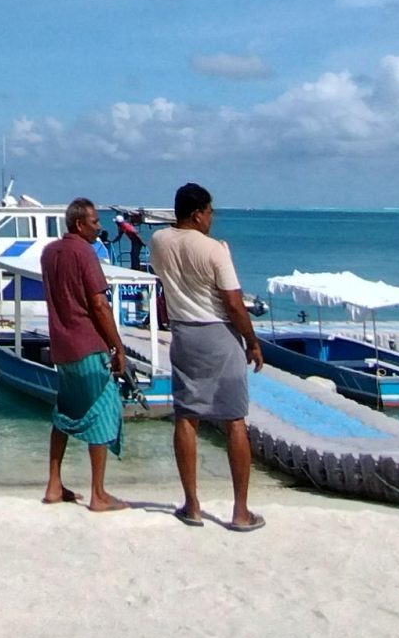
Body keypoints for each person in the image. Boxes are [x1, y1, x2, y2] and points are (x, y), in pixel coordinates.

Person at [149, 182, 264, 531]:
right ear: (199, 214)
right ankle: (240, 511)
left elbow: (162, 278)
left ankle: (192, 505)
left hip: (184, 332)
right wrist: (253, 341)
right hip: (218, 333)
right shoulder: (214, 249)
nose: (212, 218)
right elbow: (233, 302)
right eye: (211, 212)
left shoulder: (159, 241)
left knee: (187, 416)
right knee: (234, 420)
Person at [40, 197, 131, 512]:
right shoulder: (85, 253)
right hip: (87, 344)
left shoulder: (49, 253)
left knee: (64, 412)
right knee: (105, 409)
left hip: (62, 347)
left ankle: (54, 484)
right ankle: (99, 494)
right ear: (79, 224)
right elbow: (99, 304)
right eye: (95, 222)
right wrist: (118, 347)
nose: (99, 227)